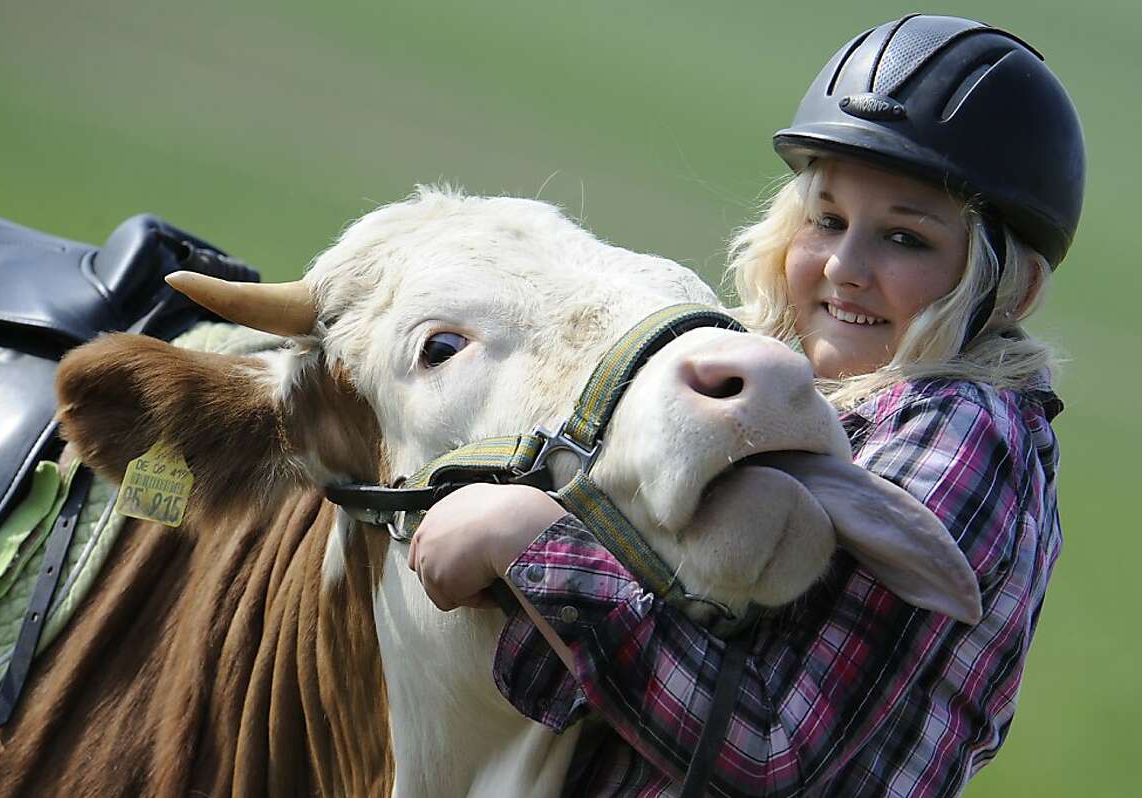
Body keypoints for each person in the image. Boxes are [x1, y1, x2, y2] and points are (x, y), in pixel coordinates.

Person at [407, 13, 1085, 796]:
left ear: (1014, 288)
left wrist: (532, 544)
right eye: (826, 220)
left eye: (906, 239)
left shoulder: (965, 430)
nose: (844, 266)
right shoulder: (804, 396)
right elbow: (635, 680)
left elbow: (772, 749)